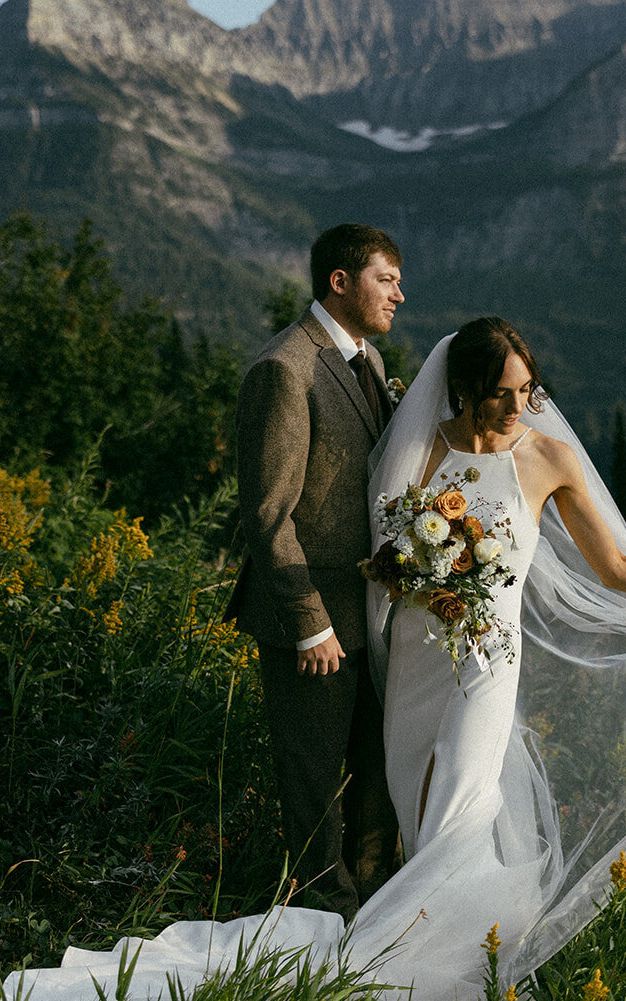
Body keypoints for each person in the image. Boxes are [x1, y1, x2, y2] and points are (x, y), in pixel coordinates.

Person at [0, 317, 626, 1001]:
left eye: (527, 389)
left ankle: (439, 980)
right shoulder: (423, 452)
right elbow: (384, 559)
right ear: (465, 392)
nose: (519, 406)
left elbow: (622, 568)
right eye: (502, 393)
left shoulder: (547, 458)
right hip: (417, 667)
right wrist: (427, 578)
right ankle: (433, 959)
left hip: (488, 667)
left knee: (464, 812)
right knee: (419, 805)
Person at [224, 222, 404, 918]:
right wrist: (309, 626)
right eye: (386, 279)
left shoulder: (370, 363)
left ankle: (369, 918)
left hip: (368, 616)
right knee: (312, 790)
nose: (399, 294)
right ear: (339, 281)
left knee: (371, 782)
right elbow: (270, 515)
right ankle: (317, 932)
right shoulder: (285, 367)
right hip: (313, 619)